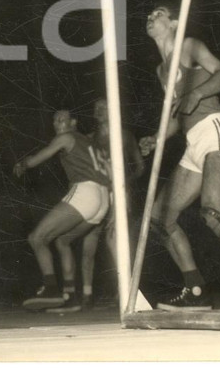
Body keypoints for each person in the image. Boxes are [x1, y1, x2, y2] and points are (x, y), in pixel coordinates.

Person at [139, 1, 220, 310]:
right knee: (159, 218)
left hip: (216, 132)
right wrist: (156, 138)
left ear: (174, 22)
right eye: (149, 15)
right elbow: (177, 116)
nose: (151, 18)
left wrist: (195, 93)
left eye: (158, 14)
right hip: (194, 143)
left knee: (213, 210)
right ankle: (195, 290)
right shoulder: (161, 70)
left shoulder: (190, 46)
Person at [14, 109, 110, 313]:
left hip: (86, 192)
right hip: (103, 200)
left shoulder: (66, 137)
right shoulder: (92, 143)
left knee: (36, 238)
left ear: (73, 122)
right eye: (55, 121)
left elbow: (38, 159)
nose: (57, 124)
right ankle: (71, 296)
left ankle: (51, 289)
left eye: (62, 119)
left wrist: (23, 163)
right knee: (62, 241)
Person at [80, 97, 146, 309]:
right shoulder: (89, 139)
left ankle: (125, 289)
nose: (99, 111)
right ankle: (87, 294)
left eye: (104, 107)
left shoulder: (124, 135)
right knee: (89, 238)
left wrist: (124, 182)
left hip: (119, 192)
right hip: (98, 192)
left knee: (114, 238)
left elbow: (140, 167)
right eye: (96, 108)